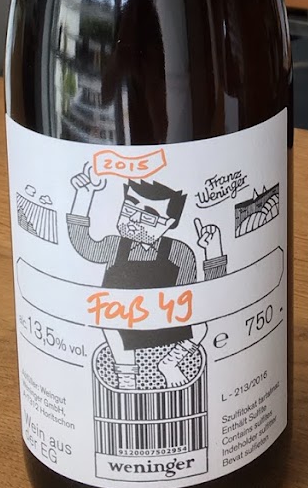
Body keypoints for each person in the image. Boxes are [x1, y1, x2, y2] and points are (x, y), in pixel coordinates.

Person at [67, 165, 227, 390]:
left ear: (169, 224)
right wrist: (83, 197)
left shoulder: (179, 251)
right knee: (111, 329)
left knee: (200, 326)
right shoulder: (114, 245)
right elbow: (83, 245)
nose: (134, 220)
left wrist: (213, 251)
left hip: (166, 319)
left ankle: (170, 363)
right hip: (122, 319)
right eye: (129, 209)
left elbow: (201, 296)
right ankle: (126, 376)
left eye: (149, 217)